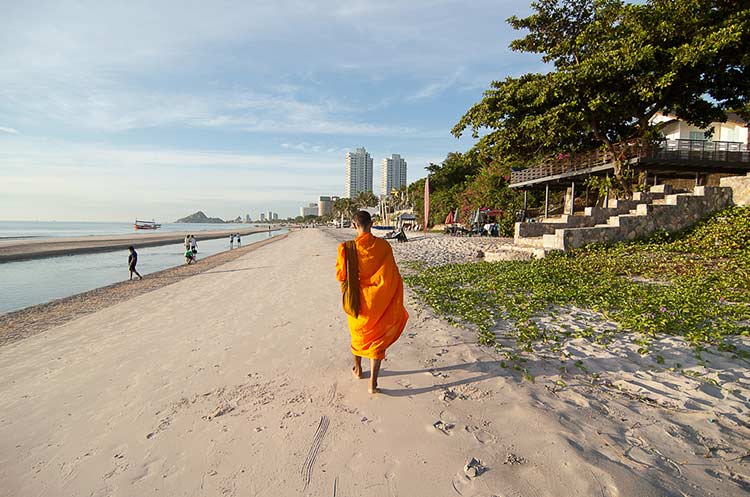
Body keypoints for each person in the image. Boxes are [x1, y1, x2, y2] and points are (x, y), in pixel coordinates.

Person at [335, 210, 409, 394]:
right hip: (379, 301)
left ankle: (358, 370)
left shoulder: (346, 248)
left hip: (358, 301)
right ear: (372, 223)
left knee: (359, 336)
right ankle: (373, 384)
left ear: (353, 226)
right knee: (377, 340)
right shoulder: (384, 246)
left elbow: (340, 276)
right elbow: (392, 274)